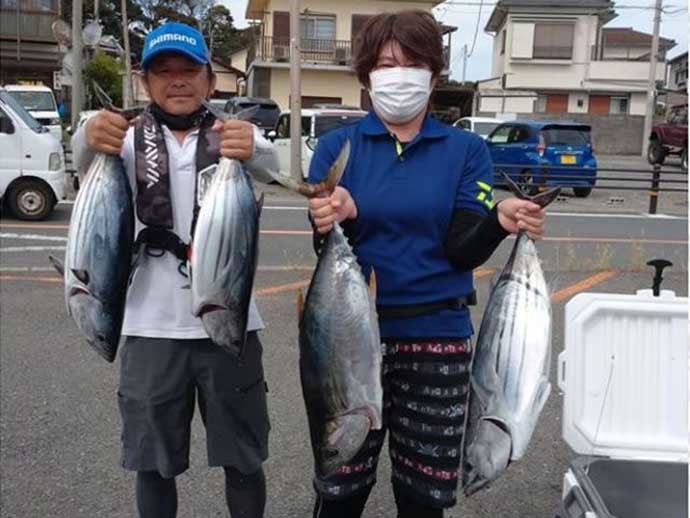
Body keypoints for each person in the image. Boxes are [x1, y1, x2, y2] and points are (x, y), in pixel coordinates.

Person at [307, 10, 547, 518]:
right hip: (347, 337)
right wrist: (340, 217)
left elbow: (461, 249)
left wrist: (497, 220)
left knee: (424, 496)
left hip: (437, 338)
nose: (400, 73)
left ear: (435, 74)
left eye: (414, 62)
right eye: (387, 62)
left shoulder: (467, 151)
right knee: (339, 484)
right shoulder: (335, 148)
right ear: (367, 75)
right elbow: (325, 253)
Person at [72, 22, 279, 518]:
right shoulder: (121, 140)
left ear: (211, 80)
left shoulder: (234, 138)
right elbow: (82, 155)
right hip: (148, 324)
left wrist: (257, 144)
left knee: (243, 458)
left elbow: (277, 164)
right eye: (163, 71)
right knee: (154, 463)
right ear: (145, 82)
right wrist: (86, 132)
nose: (177, 80)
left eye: (189, 70)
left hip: (230, 325)